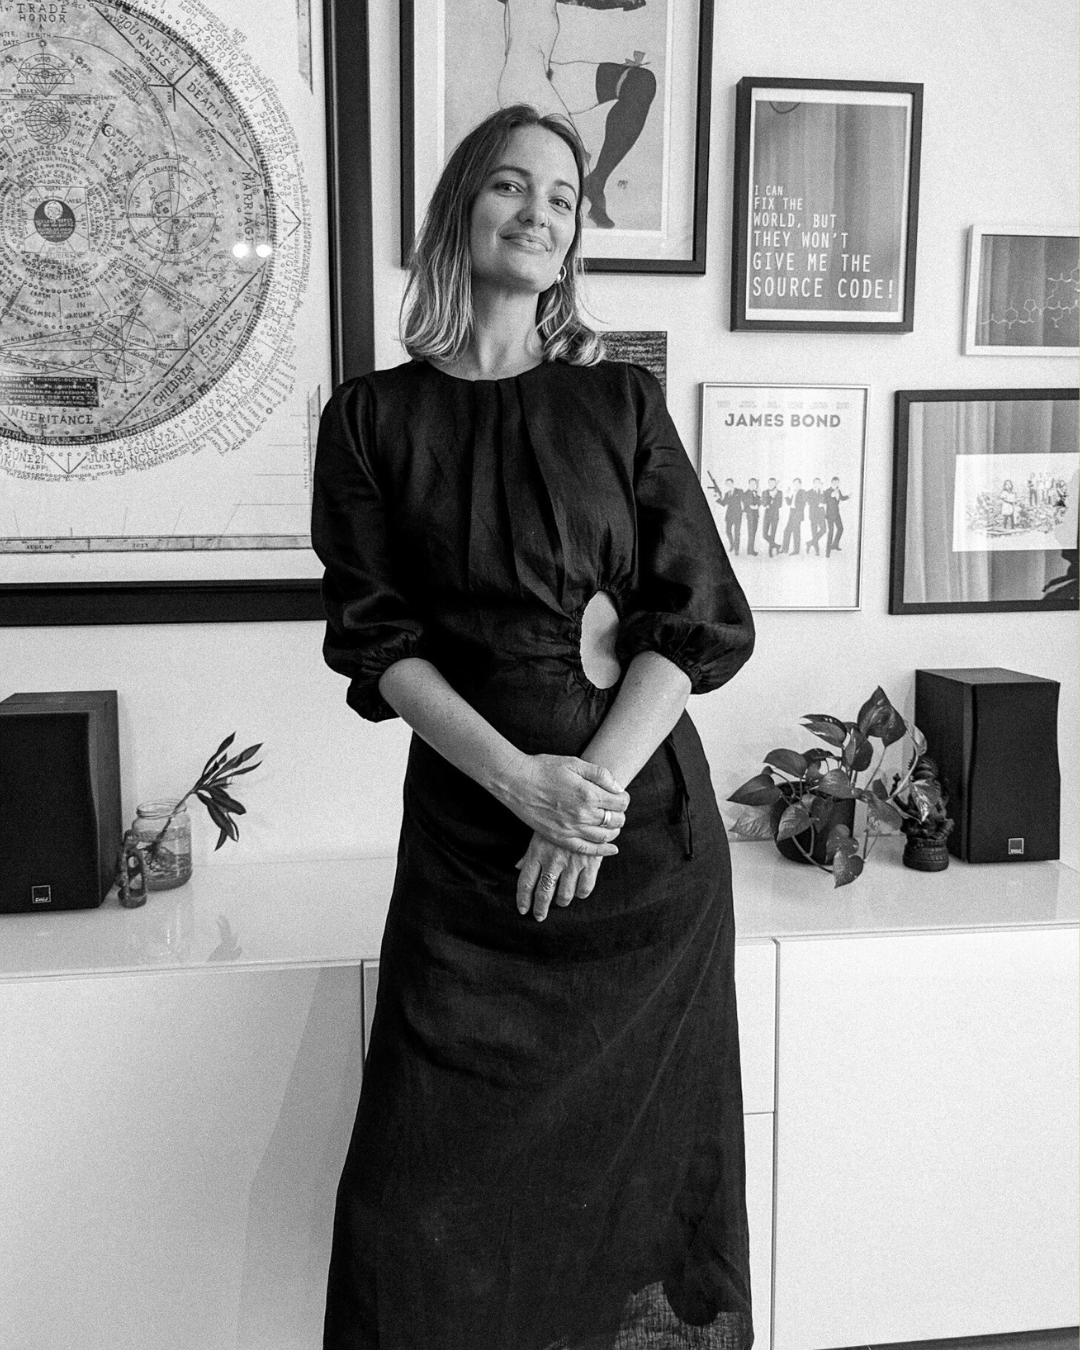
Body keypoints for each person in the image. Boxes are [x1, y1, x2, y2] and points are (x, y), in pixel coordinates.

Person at [312, 104, 755, 1350]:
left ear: (573, 242)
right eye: (511, 186)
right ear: (462, 208)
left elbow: (701, 619)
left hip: (643, 870)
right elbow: (376, 643)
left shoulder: (620, 404)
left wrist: (590, 798)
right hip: (470, 869)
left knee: (643, 1203)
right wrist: (521, 785)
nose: (539, 213)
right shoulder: (366, 421)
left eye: (562, 199)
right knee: (414, 1205)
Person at [497, 0, 656, 229]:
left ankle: (597, 180)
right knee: (573, 164)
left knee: (640, 82)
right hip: (522, 83)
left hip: (550, 76)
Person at [781, 477, 807, 555]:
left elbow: (803, 504)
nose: (795, 485)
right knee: (787, 531)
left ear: (800, 484)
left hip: (797, 513)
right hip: (792, 513)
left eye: (797, 484)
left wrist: (797, 511)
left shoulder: (802, 492)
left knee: (796, 532)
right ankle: (785, 549)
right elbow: (789, 503)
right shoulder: (794, 492)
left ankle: (796, 551)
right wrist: (787, 494)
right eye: (794, 484)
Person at [825, 475, 849, 556]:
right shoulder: (828, 491)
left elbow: (841, 498)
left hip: (836, 514)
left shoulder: (838, 490)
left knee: (840, 528)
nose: (835, 484)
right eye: (834, 482)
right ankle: (827, 552)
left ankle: (835, 545)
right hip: (830, 515)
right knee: (831, 532)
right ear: (831, 483)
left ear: (838, 483)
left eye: (837, 482)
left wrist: (849, 496)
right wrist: (833, 493)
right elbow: (830, 496)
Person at [720, 476, 744, 554]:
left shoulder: (739, 491)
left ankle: (736, 549)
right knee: (728, 531)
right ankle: (732, 544)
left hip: (737, 515)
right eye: (727, 484)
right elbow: (724, 503)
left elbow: (740, 499)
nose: (729, 485)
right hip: (729, 515)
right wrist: (717, 498)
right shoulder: (727, 494)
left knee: (737, 532)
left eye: (730, 483)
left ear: (732, 483)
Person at [761, 476, 783, 556]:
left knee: (773, 534)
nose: (771, 484)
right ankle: (777, 546)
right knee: (764, 535)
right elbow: (763, 503)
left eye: (773, 483)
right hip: (767, 515)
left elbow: (780, 505)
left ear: (775, 483)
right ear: (768, 483)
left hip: (775, 515)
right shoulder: (765, 492)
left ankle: (770, 551)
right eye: (770, 483)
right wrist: (769, 498)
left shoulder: (779, 492)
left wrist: (774, 498)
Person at [805, 477, 826, 555]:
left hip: (821, 514)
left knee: (823, 530)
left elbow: (824, 500)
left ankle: (810, 543)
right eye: (816, 482)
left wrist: (821, 492)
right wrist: (818, 504)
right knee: (814, 532)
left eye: (819, 483)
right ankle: (817, 551)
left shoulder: (822, 492)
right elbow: (810, 502)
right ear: (813, 483)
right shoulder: (808, 492)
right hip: (813, 514)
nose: (817, 484)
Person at [743, 477, 761, 555]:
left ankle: (750, 550)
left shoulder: (756, 493)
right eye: (752, 483)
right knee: (751, 533)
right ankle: (750, 551)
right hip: (750, 516)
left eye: (755, 483)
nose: (753, 485)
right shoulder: (746, 493)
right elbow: (747, 504)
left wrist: (758, 504)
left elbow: (759, 501)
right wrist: (753, 506)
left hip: (756, 516)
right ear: (749, 484)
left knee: (753, 533)